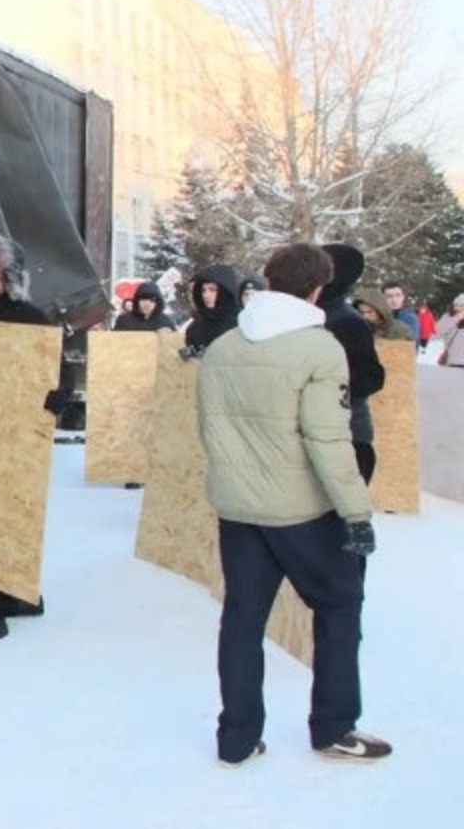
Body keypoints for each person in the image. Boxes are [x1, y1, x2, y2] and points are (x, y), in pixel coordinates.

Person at [196, 242, 391, 765]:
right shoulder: (318, 348)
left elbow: (209, 429)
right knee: (340, 603)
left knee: (241, 619)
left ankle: (236, 739)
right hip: (302, 511)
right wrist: (356, 513)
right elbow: (330, 440)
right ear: (318, 289)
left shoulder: (224, 348)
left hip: (239, 509)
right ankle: (334, 726)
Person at [0, 233, 64, 641]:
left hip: (18, 434)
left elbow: (58, 369)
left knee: (8, 516)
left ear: (10, 275)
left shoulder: (30, 318)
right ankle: (22, 596)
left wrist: (52, 402)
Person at [316, 245, 384, 486]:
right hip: (319, 434)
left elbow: (371, 377)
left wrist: (324, 381)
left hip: (347, 435)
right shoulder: (310, 313)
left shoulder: (346, 321)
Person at [184, 265, 241, 353]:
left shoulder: (242, 321)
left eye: (212, 290)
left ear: (225, 291)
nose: (206, 295)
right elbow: (190, 360)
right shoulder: (195, 328)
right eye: (203, 290)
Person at [381, 283, 421, 349]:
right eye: (389, 296)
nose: (394, 300)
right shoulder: (377, 317)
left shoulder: (409, 318)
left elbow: (408, 347)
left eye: (398, 295)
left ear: (403, 297)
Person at [437, 295, 464, 367]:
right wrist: (455, 319)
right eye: (456, 305)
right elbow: (437, 332)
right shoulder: (448, 317)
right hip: (452, 361)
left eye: (461, 306)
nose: (457, 308)